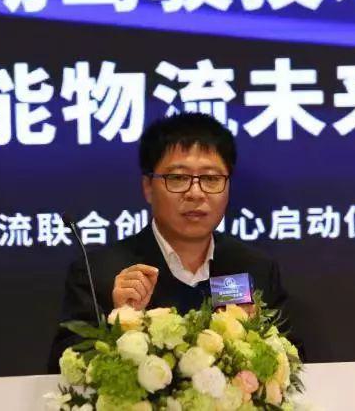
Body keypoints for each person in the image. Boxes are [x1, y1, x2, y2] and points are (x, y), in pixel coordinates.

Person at [47, 113, 302, 372]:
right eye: (178, 178)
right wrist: (119, 323)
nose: (195, 193)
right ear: (148, 187)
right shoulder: (100, 273)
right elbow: (64, 371)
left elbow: (295, 366)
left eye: (211, 179)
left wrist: (255, 334)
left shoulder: (253, 268)